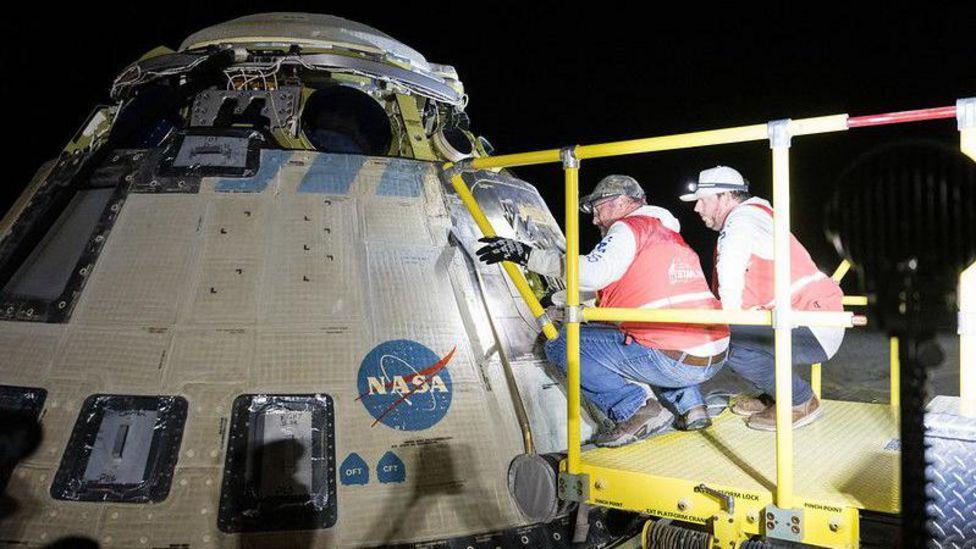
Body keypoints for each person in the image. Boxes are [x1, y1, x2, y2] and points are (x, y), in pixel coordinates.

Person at [476, 175, 729, 447]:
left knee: (562, 343)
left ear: (621, 202)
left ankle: (633, 409)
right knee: (656, 335)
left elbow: (594, 273)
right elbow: (618, 289)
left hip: (673, 357)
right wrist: (561, 300)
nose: (595, 220)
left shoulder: (628, 228)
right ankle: (692, 408)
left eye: (598, 209)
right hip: (712, 352)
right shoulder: (665, 234)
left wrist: (527, 256)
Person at [680, 165, 845, 430]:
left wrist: (726, 322)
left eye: (702, 200)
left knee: (731, 344)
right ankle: (776, 396)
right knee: (741, 337)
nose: (697, 208)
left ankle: (799, 401)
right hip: (811, 316)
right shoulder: (757, 216)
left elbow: (730, 269)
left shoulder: (742, 221)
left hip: (812, 322)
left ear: (724, 197)